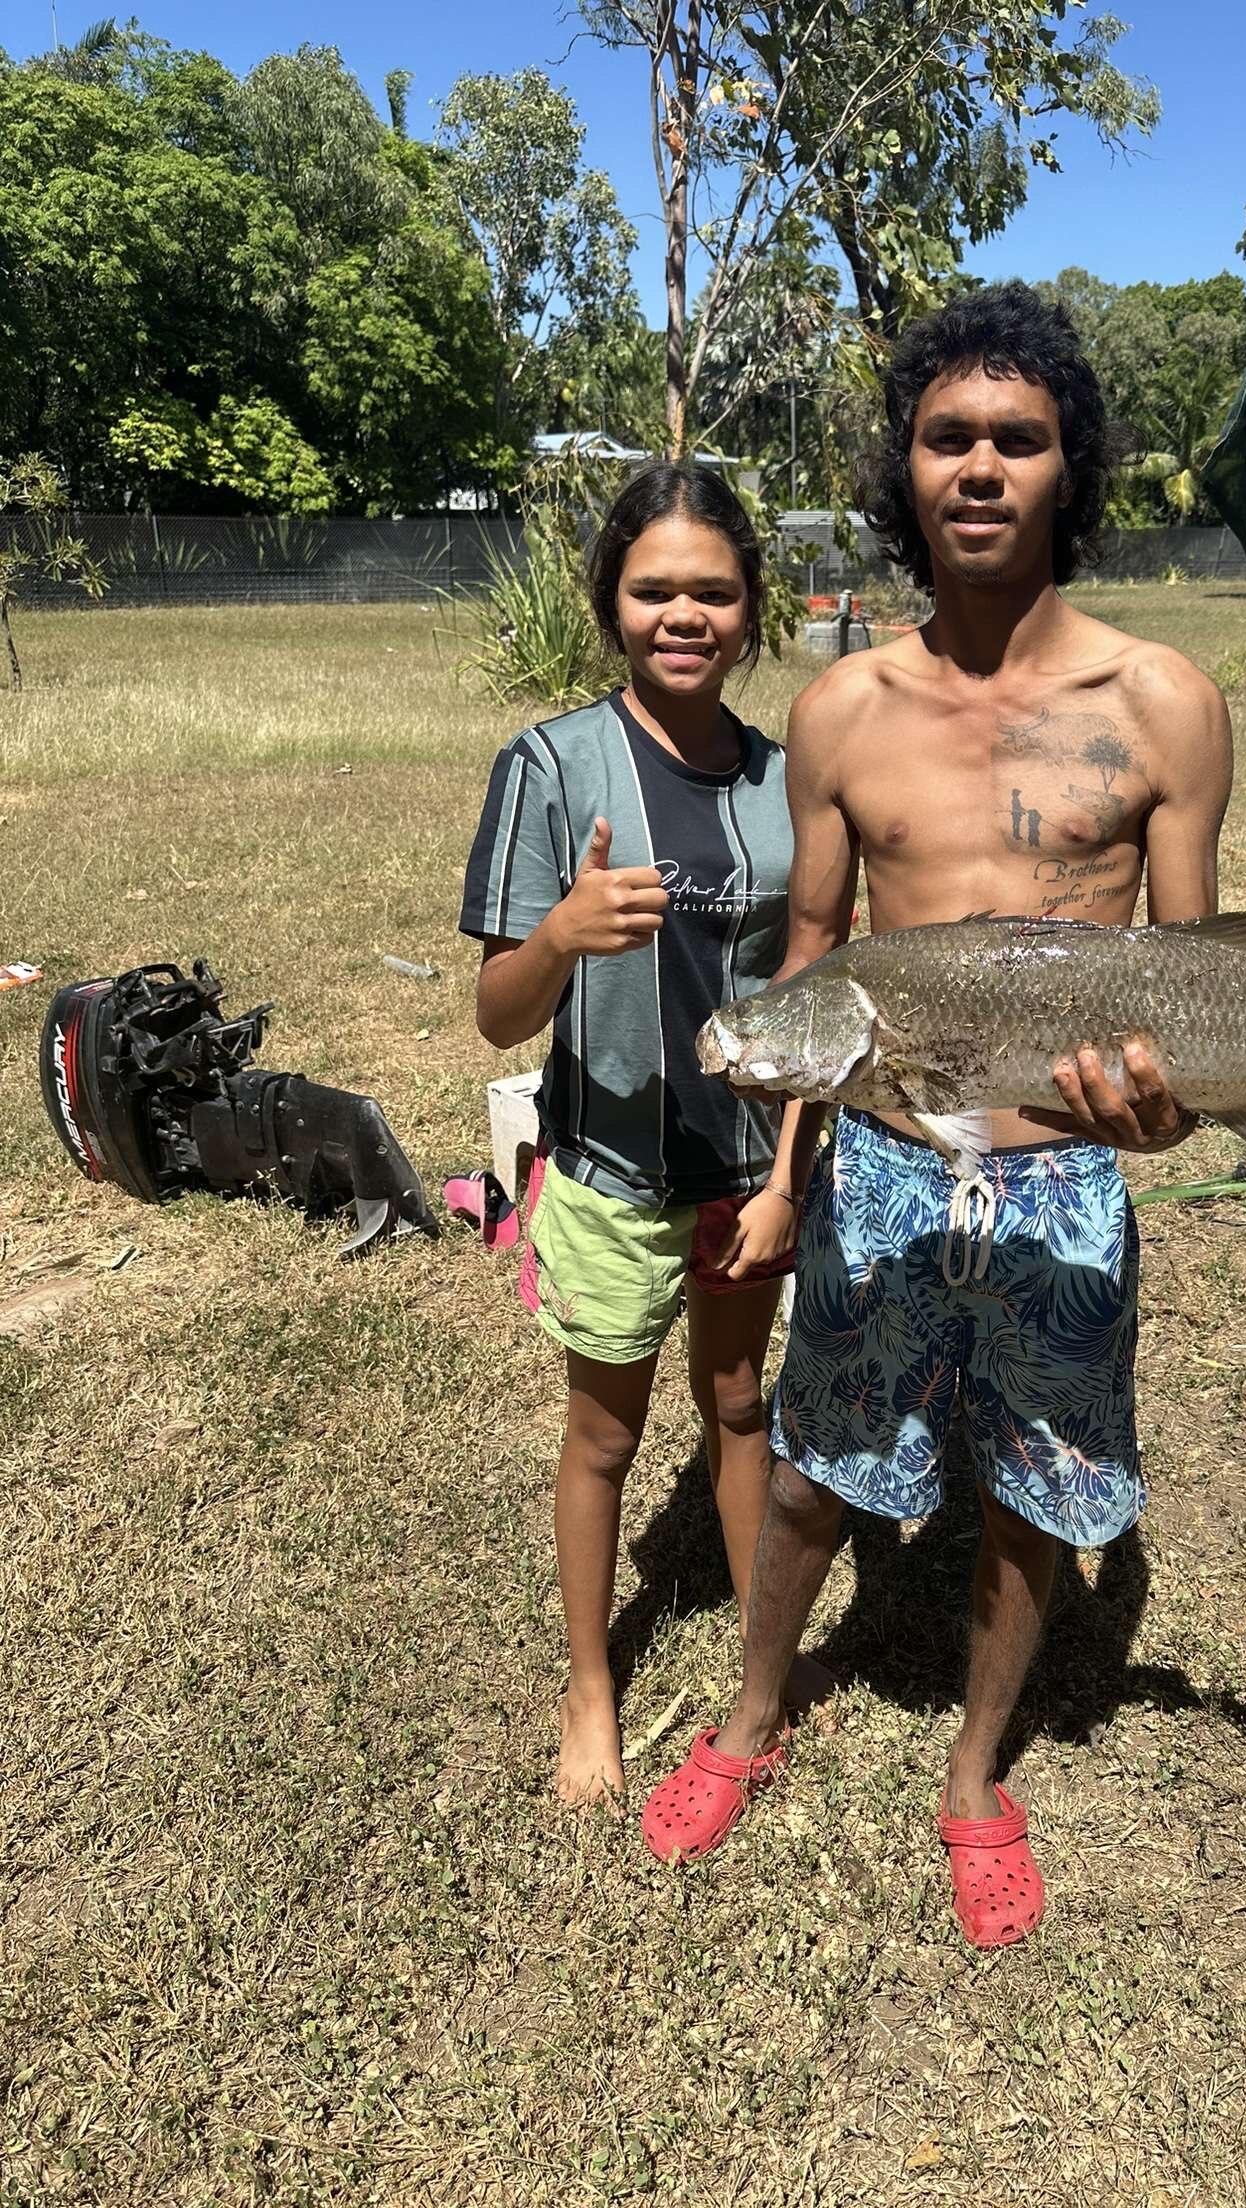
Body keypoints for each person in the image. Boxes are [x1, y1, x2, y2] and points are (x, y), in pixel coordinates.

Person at [641, 282, 1234, 1946]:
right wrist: (780, 1182)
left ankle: (977, 1778)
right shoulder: (843, 712)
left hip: (1061, 1185)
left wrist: (1167, 1119)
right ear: (904, 468)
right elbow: (815, 958)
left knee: (1039, 1492)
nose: (981, 467)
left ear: (1071, 468)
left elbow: (1187, 980)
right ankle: (755, 1719)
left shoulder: (1165, 702)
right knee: (820, 1467)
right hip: (886, 1172)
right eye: (947, 437)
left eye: (1018, 440)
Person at [459, 463, 807, 1808]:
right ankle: (590, 1687)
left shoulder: (788, 785)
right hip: (610, 1173)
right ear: (611, 603)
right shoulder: (550, 767)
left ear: (750, 609)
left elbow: (817, 1001)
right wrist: (561, 932)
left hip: (748, 1178)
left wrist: (788, 1175)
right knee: (604, 1438)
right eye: (653, 587)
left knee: (738, 1406)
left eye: (712, 590)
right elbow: (498, 1017)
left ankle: (757, 1671)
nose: (684, 614)